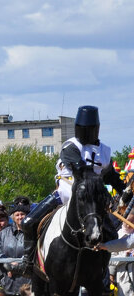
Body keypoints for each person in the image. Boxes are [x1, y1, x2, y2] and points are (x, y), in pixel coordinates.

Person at [23, 106, 132, 272]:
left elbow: (111, 177)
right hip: (65, 193)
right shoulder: (70, 147)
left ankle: (102, 273)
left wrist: (126, 191)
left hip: (92, 201)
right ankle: (28, 263)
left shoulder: (104, 151)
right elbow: (81, 171)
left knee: (111, 234)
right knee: (28, 222)